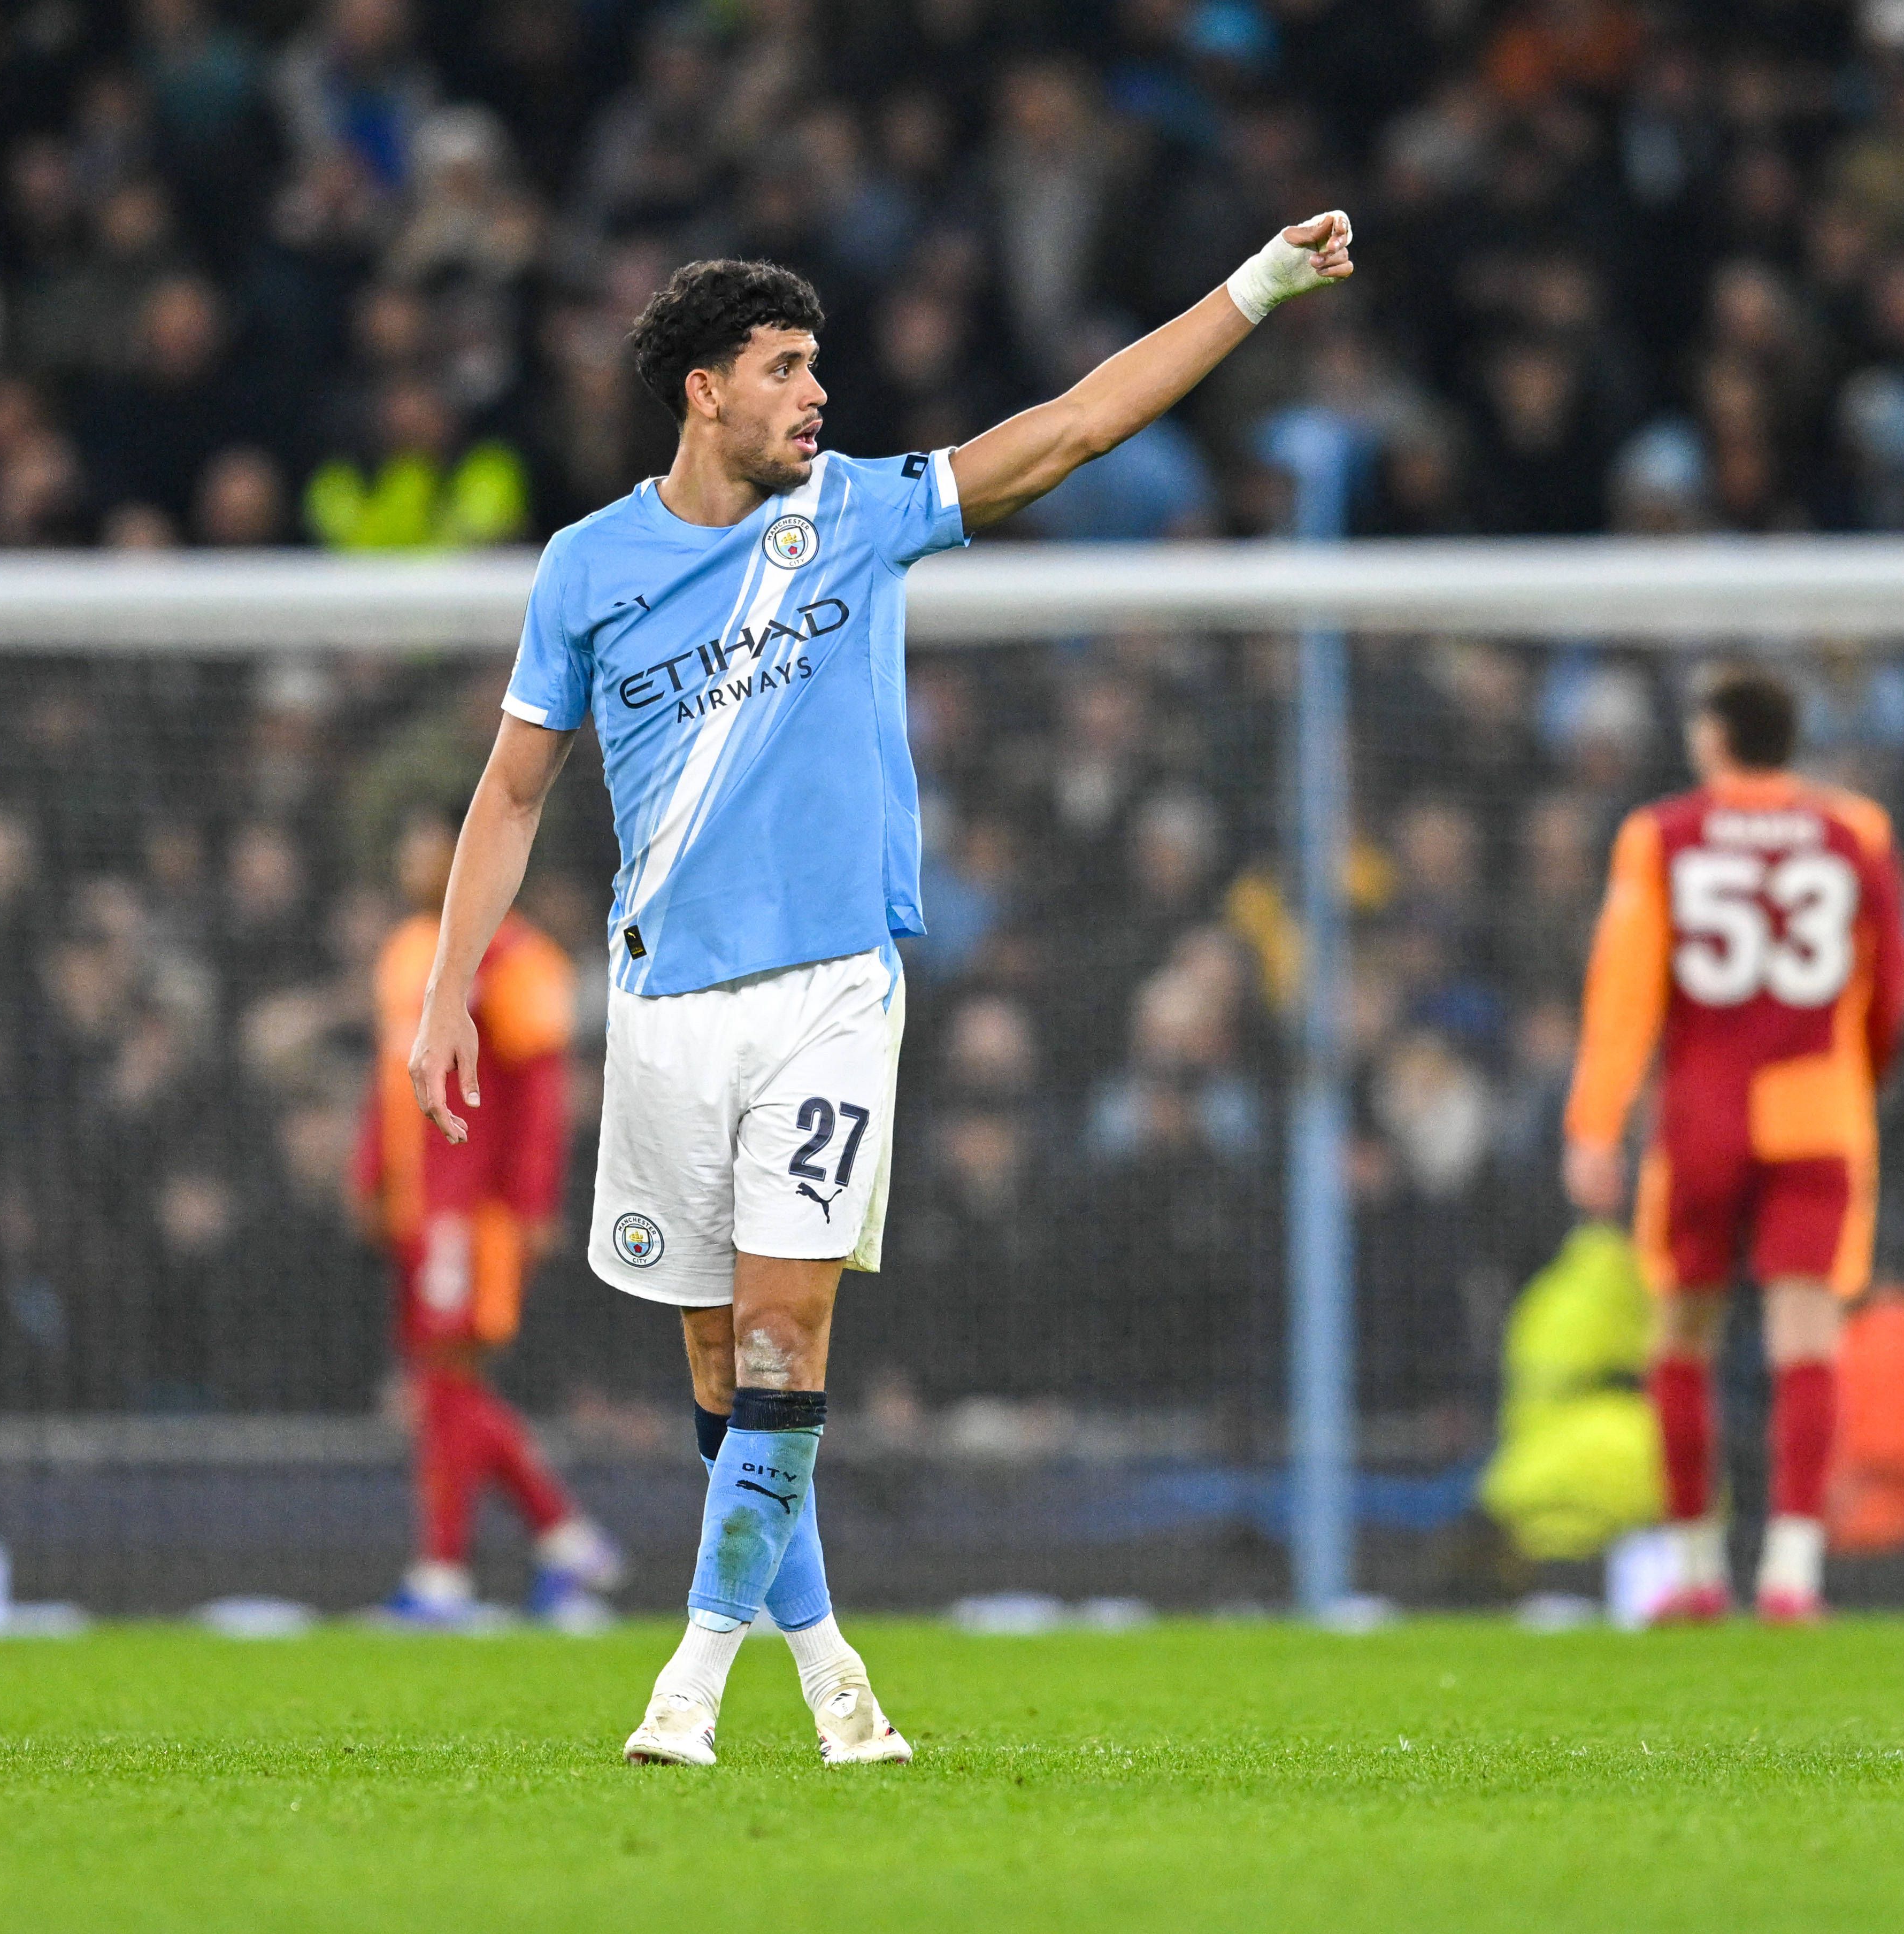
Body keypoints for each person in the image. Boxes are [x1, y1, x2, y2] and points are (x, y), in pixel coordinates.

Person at [403, 217, 1355, 1765]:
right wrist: (449, 986)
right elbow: (512, 792)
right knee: (720, 1371)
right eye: (785, 370)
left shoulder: (856, 512)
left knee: (785, 1338)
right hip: (663, 1006)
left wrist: (1256, 285)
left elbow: (1074, 428)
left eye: (817, 367)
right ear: (704, 391)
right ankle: (831, 1669)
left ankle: (690, 1680)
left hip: (831, 990)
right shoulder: (587, 568)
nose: (816, 394)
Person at [1562, 668, 1904, 1622]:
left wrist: (1594, 1124)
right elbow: (1890, 980)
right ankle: (1792, 1575)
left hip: (1703, 1114)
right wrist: (1863, 1072)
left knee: (1681, 1333)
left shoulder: (1662, 835)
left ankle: (1695, 1570)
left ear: (1715, 738)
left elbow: (1624, 993)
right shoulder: (1855, 830)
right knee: (1807, 1336)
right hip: (1818, 1109)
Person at [353, 809, 621, 1628]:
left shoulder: (519, 959)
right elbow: (391, 1080)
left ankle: (449, 1573)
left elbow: (541, 1095)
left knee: (445, 1384)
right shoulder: (407, 951)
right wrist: (370, 1175)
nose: (411, 862)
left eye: (426, 847)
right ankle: (563, 1542)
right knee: (445, 1387)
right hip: (419, 1205)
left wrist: (535, 1201)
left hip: (474, 1207)